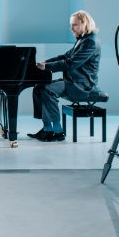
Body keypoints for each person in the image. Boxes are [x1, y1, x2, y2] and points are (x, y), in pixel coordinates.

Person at [28, 10, 101, 142]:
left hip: (82, 85)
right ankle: (47, 128)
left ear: (84, 23)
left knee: (48, 90)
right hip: (73, 81)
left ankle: (57, 131)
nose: (71, 28)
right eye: (71, 25)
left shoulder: (90, 42)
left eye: (75, 25)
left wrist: (47, 67)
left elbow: (71, 63)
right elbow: (65, 56)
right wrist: (46, 63)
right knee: (39, 87)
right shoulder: (83, 40)